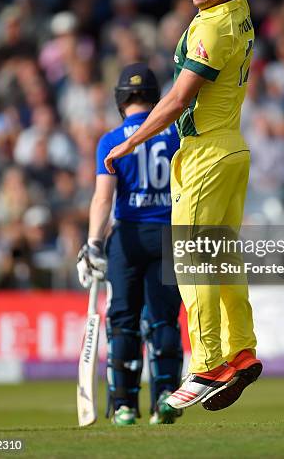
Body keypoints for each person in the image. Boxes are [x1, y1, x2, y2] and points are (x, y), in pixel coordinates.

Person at [103, 0, 279, 412]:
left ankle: (205, 366)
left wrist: (129, 144)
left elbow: (177, 100)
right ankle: (241, 352)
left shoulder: (210, 29)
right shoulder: (236, 5)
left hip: (204, 155)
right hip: (231, 149)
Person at [76, 63, 183, 425]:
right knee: (164, 321)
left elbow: (102, 199)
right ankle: (166, 397)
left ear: (121, 98)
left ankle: (123, 405)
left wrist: (92, 243)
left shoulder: (111, 140)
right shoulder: (175, 137)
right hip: (170, 235)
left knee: (123, 322)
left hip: (128, 238)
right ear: (155, 98)